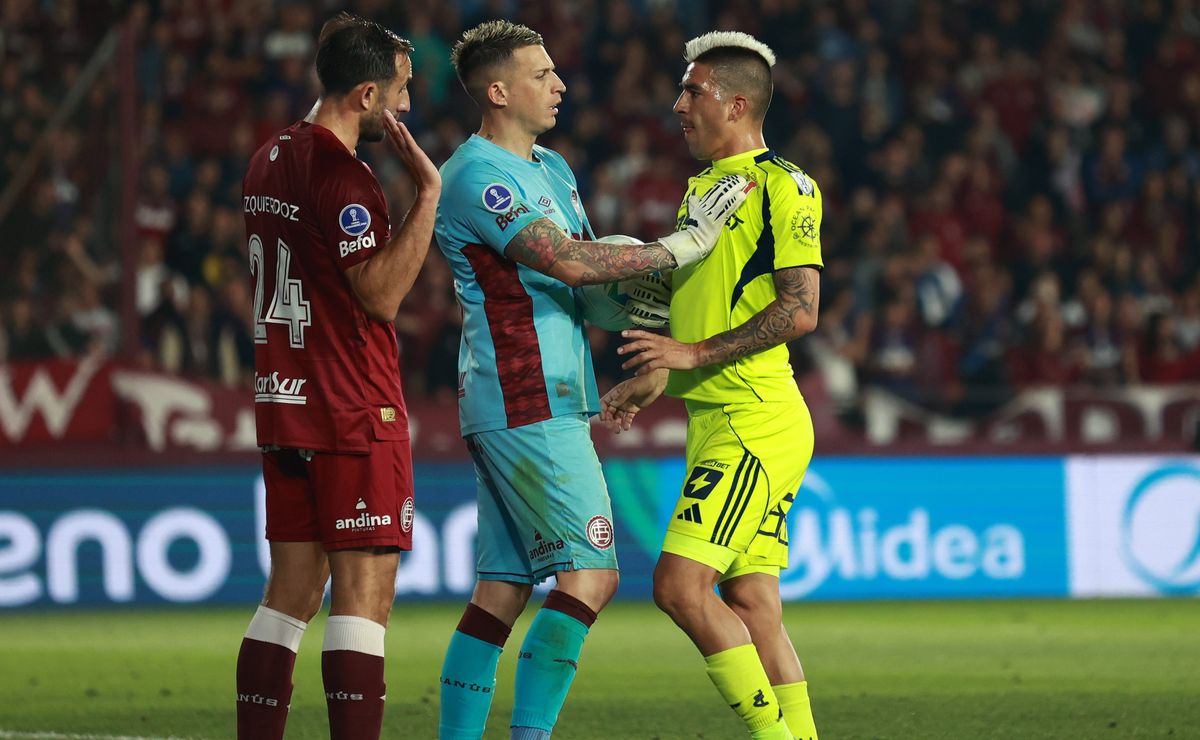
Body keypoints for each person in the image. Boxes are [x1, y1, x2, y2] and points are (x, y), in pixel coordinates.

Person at [433, 20, 753, 740]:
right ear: (497, 90)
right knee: (593, 575)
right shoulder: (476, 176)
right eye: (541, 74)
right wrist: (683, 245)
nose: (561, 84)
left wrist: (643, 307)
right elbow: (569, 263)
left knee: (503, 590)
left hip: (545, 394)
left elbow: (587, 288)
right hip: (523, 394)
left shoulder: (552, 169)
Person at [601, 32, 823, 740]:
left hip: (754, 419)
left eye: (692, 92)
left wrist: (690, 351)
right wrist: (657, 375)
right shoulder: (704, 188)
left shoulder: (785, 186)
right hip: (719, 417)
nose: (677, 105)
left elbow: (800, 307)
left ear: (735, 103)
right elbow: (704, 300)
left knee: (678, 586)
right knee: (753, 601)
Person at [235, 13, 440, 740]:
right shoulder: (344, 176)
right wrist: (429, 196)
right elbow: (379, 295)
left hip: (285, 403)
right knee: (364, 598)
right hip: (352, 409)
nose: (406, 108)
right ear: (364, 94)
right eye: (400, 93)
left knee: (288, 594)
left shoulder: (268, 157)